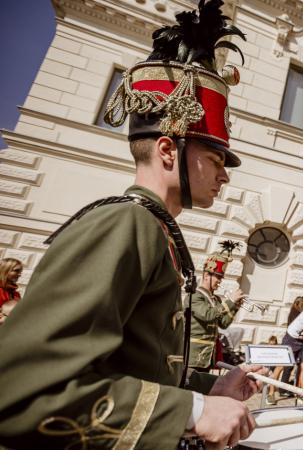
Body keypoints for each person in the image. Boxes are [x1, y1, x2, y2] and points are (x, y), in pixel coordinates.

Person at [0, 2, 266, 448]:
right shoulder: (125, 225)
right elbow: (22, 392)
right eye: (215, 159)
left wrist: (208, 392)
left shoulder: (152, 228)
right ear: (168, 151)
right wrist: (195, 411)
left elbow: (132, 370)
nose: (224, 175)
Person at [189, 241, 246, 371]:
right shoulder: (195, 296)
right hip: (193, 355)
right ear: (206, 275)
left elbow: (223, 323)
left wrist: (235, 307)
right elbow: (208, 315)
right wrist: (230, 301)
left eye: (221, 278)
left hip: (209, 356)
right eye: (217, 277)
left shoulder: (215, 299)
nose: (220, 281)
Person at [279, 296, 303, 392]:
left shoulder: (297, 312)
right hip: (292, 340)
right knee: (286, 366)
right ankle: (282, 389)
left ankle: (285, 389)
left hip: (298, 340)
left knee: (291, 367)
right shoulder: (296, 313)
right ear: (302, 302)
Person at [0, 258, 23, 325]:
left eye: (20, 272)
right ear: (4, 270)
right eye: (16, 271)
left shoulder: (16, 294)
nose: (19, 274)